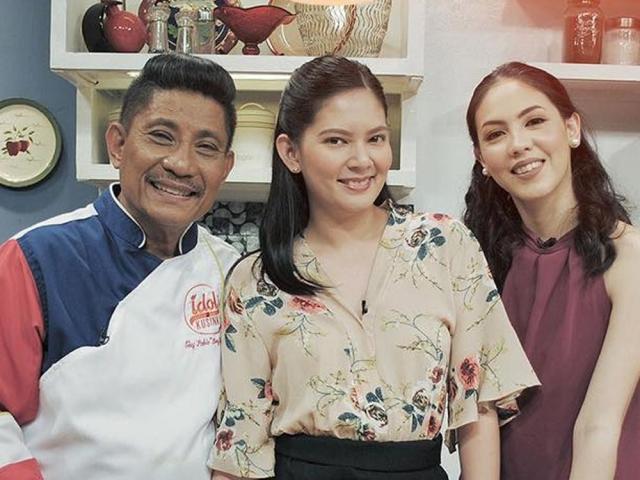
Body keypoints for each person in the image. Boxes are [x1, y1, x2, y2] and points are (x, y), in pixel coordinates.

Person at [209, 55, 539, 480]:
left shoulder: (443, 245)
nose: (362, 160)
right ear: (291, 153)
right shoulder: (256, 279)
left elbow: (479, 406)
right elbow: (242, 443)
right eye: (336, 141)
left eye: (376, 138)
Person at [0, 53, 239, 480]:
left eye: (206, 147)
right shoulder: (35, 259)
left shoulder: (231, 271)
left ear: (225, 167)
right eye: (161, 136)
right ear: (118, 144)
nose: (182, 164)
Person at [463, 61, 640, 479]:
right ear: (481, 158)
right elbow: (477, 414)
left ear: (571, 129)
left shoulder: (629, 256)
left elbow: (598, 426)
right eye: (496, 134)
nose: (518, 144)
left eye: (534, 121)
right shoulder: (477, 261)